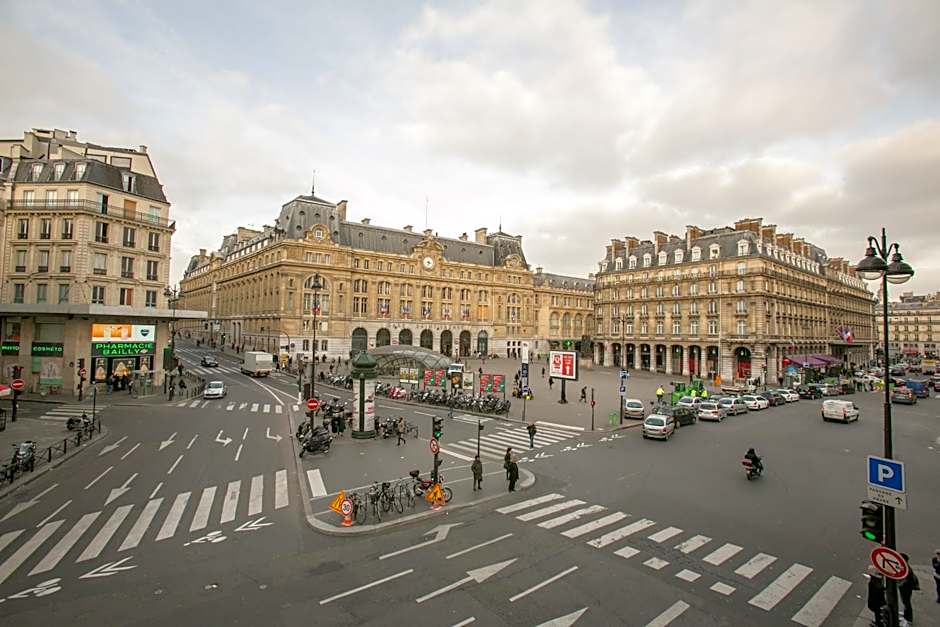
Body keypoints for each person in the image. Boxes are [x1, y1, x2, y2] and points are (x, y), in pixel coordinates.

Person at [899, 552, 919, 623]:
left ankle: (908, 619)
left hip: (906, 588)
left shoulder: (906, 569)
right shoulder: (904, 567)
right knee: (905, 602)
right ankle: (905, 615)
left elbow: (906, 580)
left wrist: (899, 584)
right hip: (905, 588)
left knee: (906, 602)